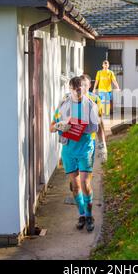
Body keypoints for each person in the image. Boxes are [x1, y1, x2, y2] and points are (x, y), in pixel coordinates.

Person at [50, 77, 99, 232]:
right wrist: (60, 126)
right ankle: (82, 215)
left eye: (80, 88)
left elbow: (95, 128)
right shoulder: (63, 105)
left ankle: (90, 216)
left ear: (83, 88)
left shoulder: (90, 105)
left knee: (85, 183)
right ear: (69, 88)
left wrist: (79, 127)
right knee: (75, 186)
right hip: (68, 150)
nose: (77, 91)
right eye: (74, 88)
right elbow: (51, 127)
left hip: (85, 149)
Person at [80, 74, 108, 164]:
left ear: (90, 86)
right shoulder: (71, 98)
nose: (83, 87)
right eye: (81, 85)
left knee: (87, 169)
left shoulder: (95, 99)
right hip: (75, 141)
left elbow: (99, 123)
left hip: (89, 140)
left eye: (85, 85)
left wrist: (102, 146)